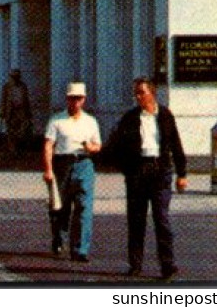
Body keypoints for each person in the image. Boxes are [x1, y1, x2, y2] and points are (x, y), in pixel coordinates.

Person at [105, 77, 186, 280]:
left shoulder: (165, 115)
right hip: (137, 172)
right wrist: (127, 169)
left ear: (152, 93)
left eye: (142, 92)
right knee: (136, 221)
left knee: (162, 219)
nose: (138, 97)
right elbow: (116, 146)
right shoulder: (130, 118)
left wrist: (182, 173)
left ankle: (168, 266)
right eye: (136, 93)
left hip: (160, 171)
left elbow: (176, 144)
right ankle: (135, 264)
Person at [43, 81, 102, 262]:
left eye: (78, 98)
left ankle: (80, 249)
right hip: (62, 163)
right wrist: (48, 170)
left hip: (84, 163)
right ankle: (59, 237)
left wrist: (90, 147)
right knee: (61, 206)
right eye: (71, 98)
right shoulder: (57, 120)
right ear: (67, 99)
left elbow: (98, 145)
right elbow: (48, 146)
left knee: (84, 206)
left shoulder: (90, 122)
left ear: (83, 100)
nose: (75, 102)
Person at [1, 70, 35, 156]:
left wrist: (28, 111)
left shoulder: (23, 86)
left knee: (22, 131)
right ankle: (13, 150)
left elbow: (26, 99)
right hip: (11, 111)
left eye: (17, 77)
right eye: (13, 77)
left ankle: (19, 149)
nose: (15, 78)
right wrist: (2, 111)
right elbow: (3, 100)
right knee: (11, 131)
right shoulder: (6, 87)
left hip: (21, 111)